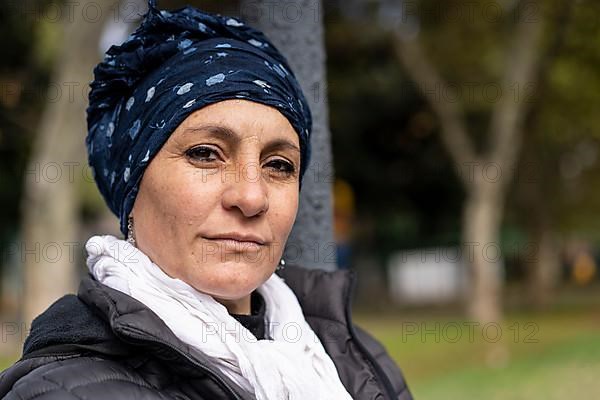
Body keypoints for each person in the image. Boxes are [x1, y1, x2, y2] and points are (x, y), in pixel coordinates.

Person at [0, 1, 413, 399]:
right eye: (205, 154)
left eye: (278, 165)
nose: (251, 197)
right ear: (134, 185)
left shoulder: (357, 360)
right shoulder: (59, 391)